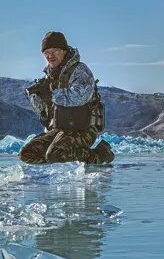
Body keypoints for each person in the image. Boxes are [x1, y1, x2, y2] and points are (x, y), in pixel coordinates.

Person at [19, 31, 115, 165]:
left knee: (55, 154)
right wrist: (37, 97)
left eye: (55, 51)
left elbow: (80, 96)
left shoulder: (80, 70)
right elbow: (44, 113)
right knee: (26, 153)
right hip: (59, 129)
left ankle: (99, 155)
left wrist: (52, 94)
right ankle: (58, 164)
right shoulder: (49, 77)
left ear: (64, 51)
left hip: (83, 129)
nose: (50, 56)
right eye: (46, 52)